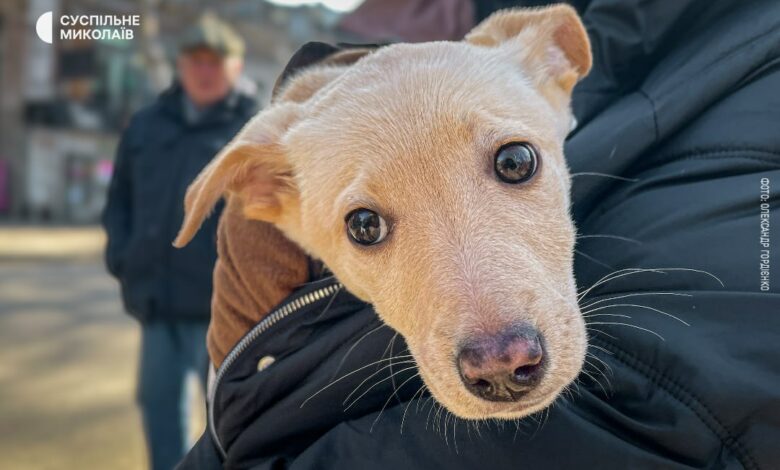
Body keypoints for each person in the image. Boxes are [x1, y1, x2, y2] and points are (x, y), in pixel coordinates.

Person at [179, 0, 780, 468]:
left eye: (513, 165)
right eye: (368, 226)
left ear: (556, 65)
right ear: (272, 195)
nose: (500, 354)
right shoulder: (288, 172)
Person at [101, 14, 257, 470]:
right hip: (157, 304)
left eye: (215, 61)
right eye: (195, 61)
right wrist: (124, 260)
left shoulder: (255, 128)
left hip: (226, 312)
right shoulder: (146, 125)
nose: (204, 71)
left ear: (235, 66)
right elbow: (120, 201)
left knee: (230, 422)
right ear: (180, 66)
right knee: (159, 410)